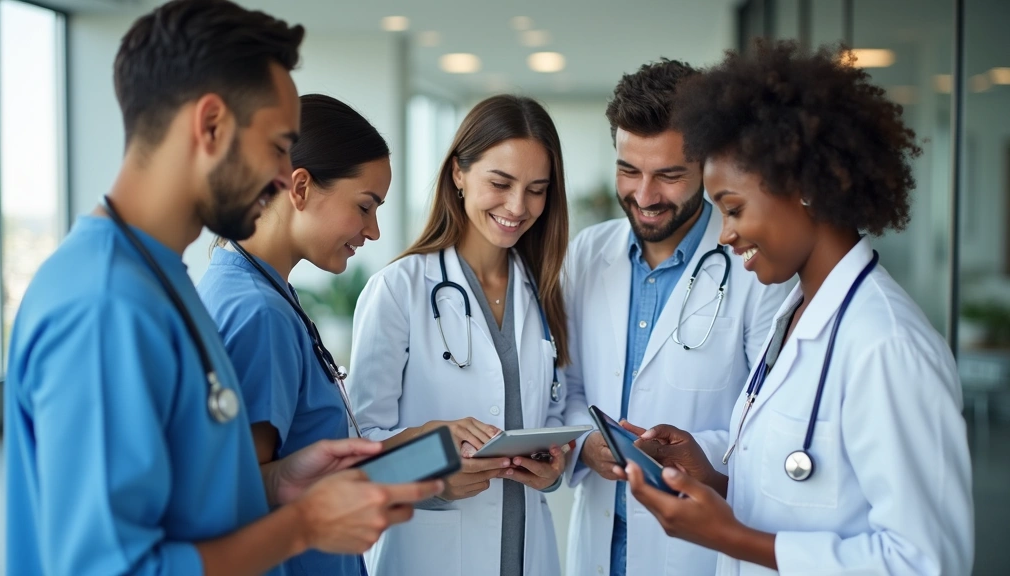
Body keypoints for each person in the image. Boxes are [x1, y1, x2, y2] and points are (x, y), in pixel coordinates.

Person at [3, 2, 440, 575]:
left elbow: (187, 499)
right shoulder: (105, 306)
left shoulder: (162, 280)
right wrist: (304, 525)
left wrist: (280, 481)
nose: (288, 178)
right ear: (210, 125)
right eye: (280, 147)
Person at [620, 40, 974, 576]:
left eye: (734, 209)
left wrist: (736, 539)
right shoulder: (795, 313)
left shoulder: (887, 345)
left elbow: (926, 561)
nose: (727, 234)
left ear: (806, 188)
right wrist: (714, 478)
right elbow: (809, 493)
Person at [560, 59, 790, 576]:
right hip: (602, 539)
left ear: (708, 167)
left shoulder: (755, 265)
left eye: (668, 175)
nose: (644, 197)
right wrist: (586, 441)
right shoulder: (586, 255)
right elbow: (569, 386)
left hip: (695, 547)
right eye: (628, 171)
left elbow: (768, 421)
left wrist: (684, 452)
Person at [348, 94, 571, 576]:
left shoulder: (545, 289)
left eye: (537, 189)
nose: (518, 206)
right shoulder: (400, 289)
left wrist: (553, 469)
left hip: (528, 556)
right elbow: (358, 447)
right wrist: (433, 476)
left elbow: (551, 414)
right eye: (500, 182)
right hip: (428, 555)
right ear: (458, 174)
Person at [197, 93, 392, 576]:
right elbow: (247, 494)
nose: (374, 231)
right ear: (300, 187)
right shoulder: (260, 313)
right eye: (365, 206)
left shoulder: (247, 283)